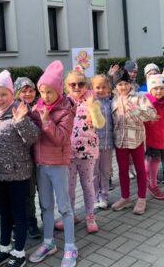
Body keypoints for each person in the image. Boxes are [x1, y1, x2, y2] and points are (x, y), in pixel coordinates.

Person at [0, 70, 39, 267]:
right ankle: (4, 247)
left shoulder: (19, 111)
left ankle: (19, 253)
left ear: (11, 94)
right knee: (4, 211)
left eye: (4, 94)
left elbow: (33, 138)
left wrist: (20, 122)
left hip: (19, 173)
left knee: (19, 212)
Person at [29, 60, 78, 267]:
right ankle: (48, 242)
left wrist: (46, 121)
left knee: (64, 207)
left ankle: (70, 246)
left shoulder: (65, 110)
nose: (45, 96)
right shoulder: (37, 108)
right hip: (41, 165)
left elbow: (60, 138)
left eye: (49, 91)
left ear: (58, 90)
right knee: (46, 205)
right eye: (42, 91)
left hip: (58, 164)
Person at [56, 67, 104, 234]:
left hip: (87, 152)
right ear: (66, 86)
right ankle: (70, 216)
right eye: (72, 84)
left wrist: (92, 107)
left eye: (81, 84)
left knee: (87, 184)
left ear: (86, 85)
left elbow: (99, 124)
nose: (77, 87)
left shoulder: (93, 101)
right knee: (68, 187)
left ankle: (90, 216)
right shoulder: (61, 103)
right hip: (67, 153)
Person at [111, 69, 156, 215]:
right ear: (115, 86)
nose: (123, 87)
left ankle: (141, 198)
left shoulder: (139, 97)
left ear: (130, 83)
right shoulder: (114, 100)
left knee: (140, 170)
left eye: (125, 83)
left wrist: (137, 110)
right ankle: (125, 197)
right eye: (119, 84)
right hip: (120, 141)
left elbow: (152, 115)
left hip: (136, 140)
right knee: (122, 170)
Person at [13, 77, 41, 239]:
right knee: (28, 193)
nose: (28, 94)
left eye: (31, 90)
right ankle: (30, 221)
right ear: (17, 93)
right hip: (24, 159)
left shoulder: (38, 106)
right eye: (24, 91)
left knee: (39, 191)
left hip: (40, 156)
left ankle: (41, 219)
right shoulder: (15, 109)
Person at [90, 74, 114, 210]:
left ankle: (104, 196)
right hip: (93, 145)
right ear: (92, 88)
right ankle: (94, 197)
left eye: (103, 87)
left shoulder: (111, 104)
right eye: (97, 87)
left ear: (108, 88)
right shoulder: (91, 104)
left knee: (105, 172)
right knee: (94, 173)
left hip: (107, 144)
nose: (100, 90)